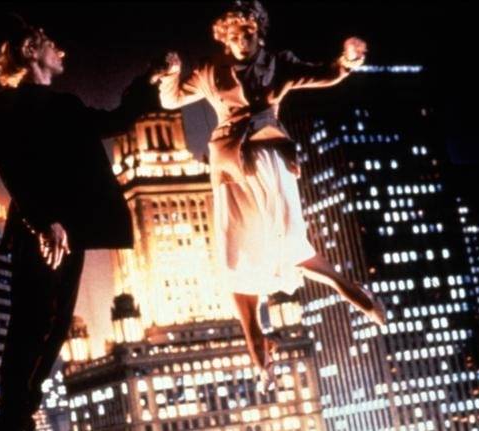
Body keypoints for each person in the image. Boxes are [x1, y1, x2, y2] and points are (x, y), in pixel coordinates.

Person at [151, 0, 387, 392]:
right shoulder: (210, 71)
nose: (241, 40)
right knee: (236, 256)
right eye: (233, 35)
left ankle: (358, 297)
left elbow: (324, 74)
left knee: (288, 240)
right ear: (224, 39)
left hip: (267, 157)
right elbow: (172, 100)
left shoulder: (280, 63)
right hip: (229, 164)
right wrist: (171, 75)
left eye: (248, 33)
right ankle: (262, 361)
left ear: (259, 34)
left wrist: (347, 61)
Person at [0, 15, 133, 431]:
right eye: (51, 43)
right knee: (32, 321)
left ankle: (21, 414)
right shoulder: (6, 105)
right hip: (40, 229)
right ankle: (13, 418)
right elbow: (12, 166)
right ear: (30, 51)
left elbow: (115, 121)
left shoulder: (66, 106)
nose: (62, 50)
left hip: (70, 231)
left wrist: (152, 80)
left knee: (56, 324)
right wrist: (42, 221)